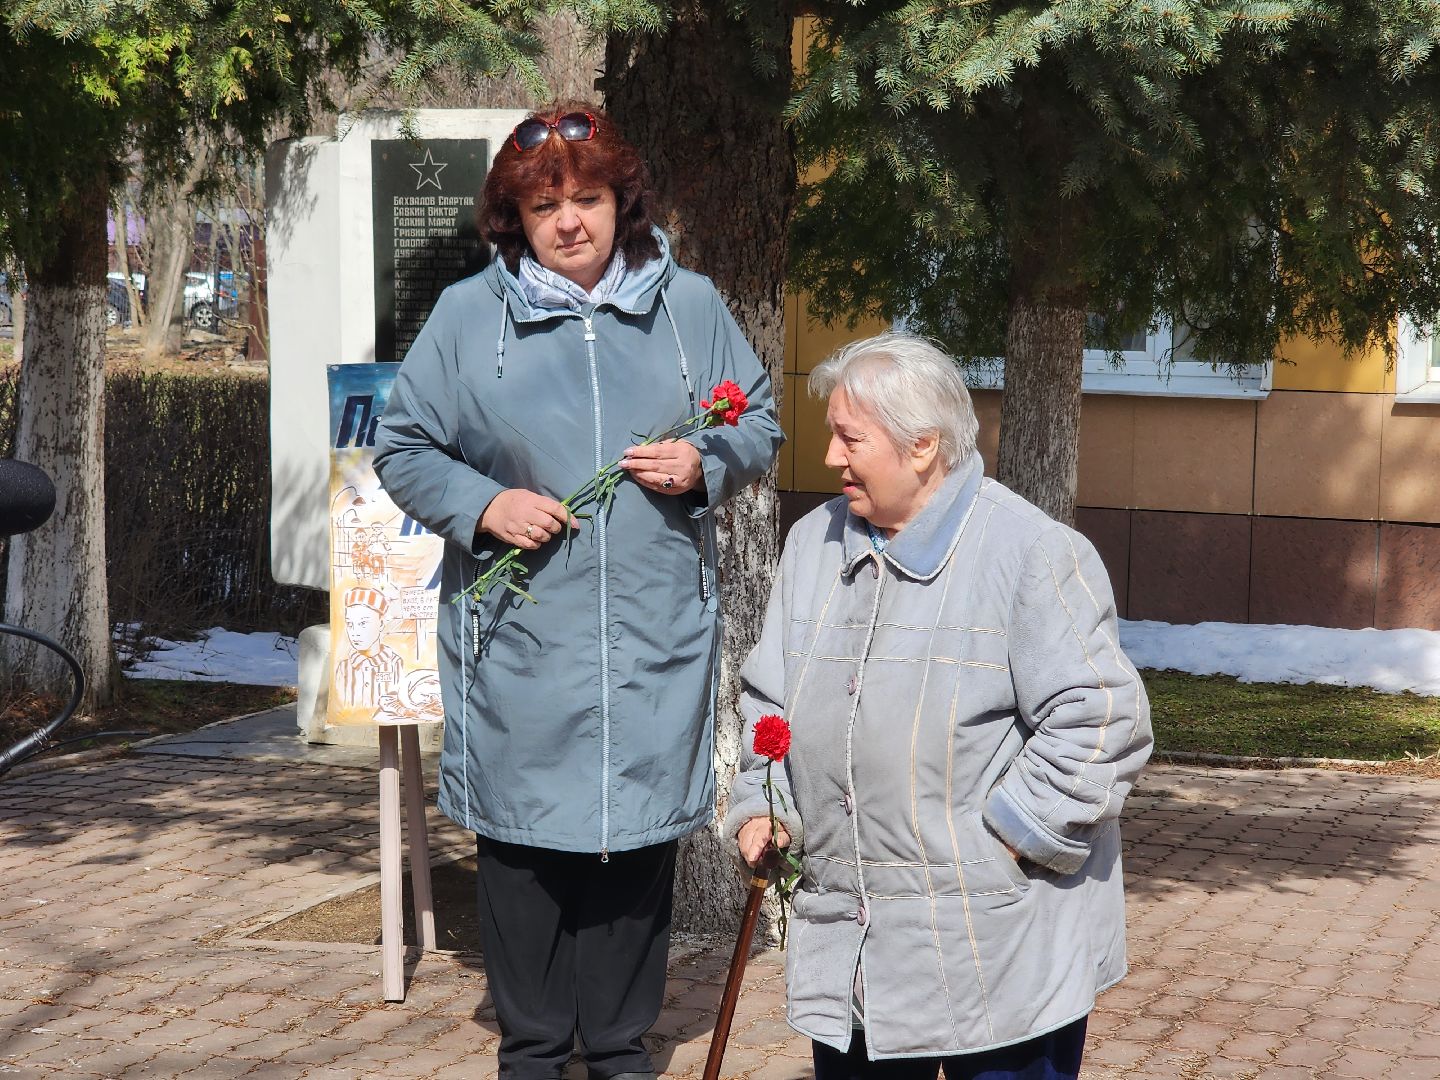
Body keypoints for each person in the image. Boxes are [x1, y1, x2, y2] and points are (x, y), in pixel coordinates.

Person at [372, 102, 782, 1080]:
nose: (569, 222)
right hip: (523, 650)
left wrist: (705, 458)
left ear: (621, 201)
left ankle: (619, 1052)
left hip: (651, 643)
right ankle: (535, 1050)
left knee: (635, 850)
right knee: (522, 855)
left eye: (588, 199)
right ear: (515, 215)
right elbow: (403, 446)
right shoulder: (473, 316)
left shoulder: (690, 310)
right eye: (544, 204)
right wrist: (485, 503)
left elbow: (757, 420)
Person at [723, 332, 1151, 1080]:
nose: (831, 457)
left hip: (1000, 942)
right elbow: (769, 702)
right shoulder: (812, 546)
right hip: (854, 943)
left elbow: (1103, 717)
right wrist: (766, 804)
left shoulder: (1030, 552)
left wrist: (1013, 837)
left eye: (849, 438)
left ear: (922, 447)